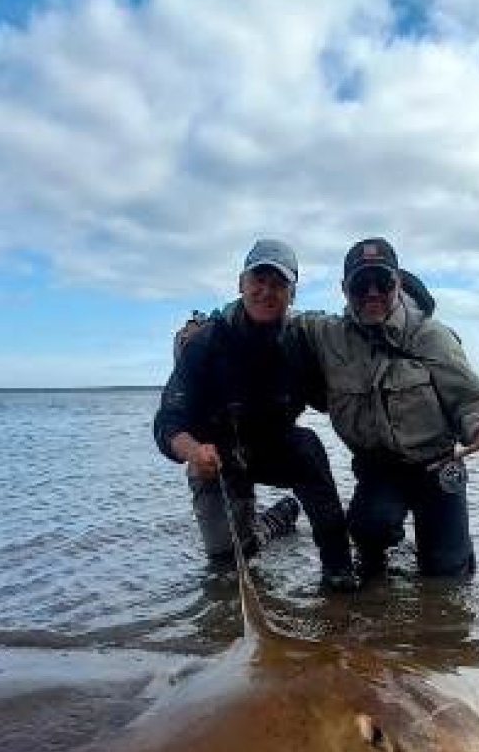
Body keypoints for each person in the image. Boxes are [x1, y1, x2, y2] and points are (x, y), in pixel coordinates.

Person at [292, 238, 479, 579]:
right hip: (378, 469)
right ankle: (379, 560)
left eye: (381, 282)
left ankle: (451, 553)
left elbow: (471, 400)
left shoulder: (433, 336)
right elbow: (272, 314)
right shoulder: (325, 334)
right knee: (368, 532)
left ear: (396, 282)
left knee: (447, 577)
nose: (371, 293)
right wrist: (209, 327)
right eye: (360, 284)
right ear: (343, 289)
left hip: (439, 465)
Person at [153, 239, 357, 591]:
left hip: (273, 448)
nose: (266, 292)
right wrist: (193, 453)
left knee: (308, 445)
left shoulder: (300, 344)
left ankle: (338, 569)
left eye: (278, 284)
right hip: (216, 458)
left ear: (292, 294)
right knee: (228, 564)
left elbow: (337, 399)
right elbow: (168, 421)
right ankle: (275, 520)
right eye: (258, 281)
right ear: (241, 285)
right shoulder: (204, 344)